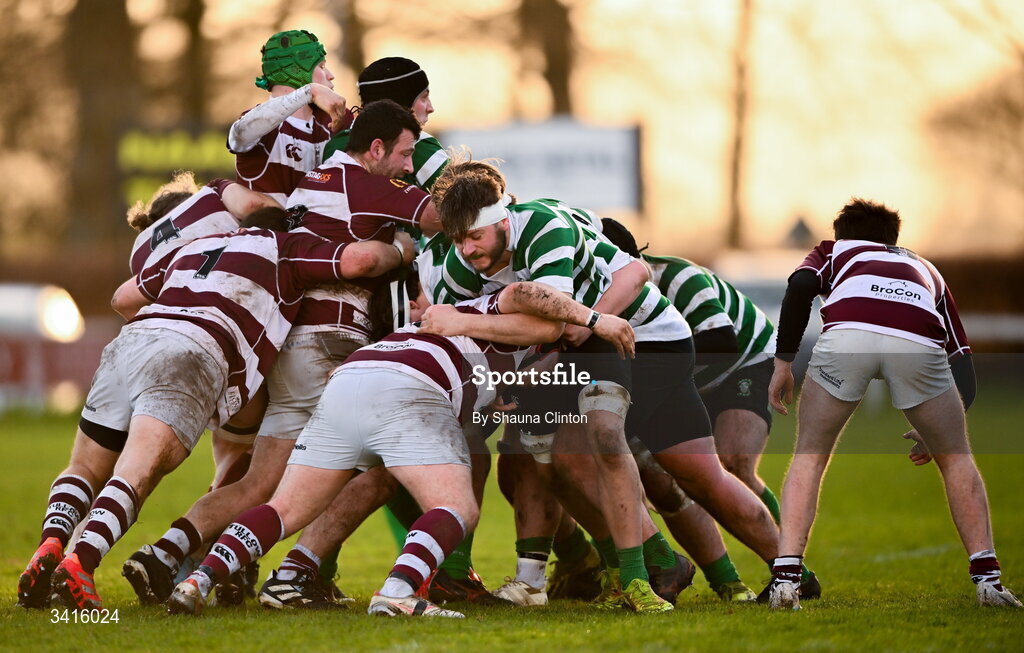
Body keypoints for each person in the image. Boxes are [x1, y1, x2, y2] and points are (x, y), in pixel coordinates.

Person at [165, 278, 635, 618]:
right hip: (409, 386)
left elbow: (490, 402)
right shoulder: (490, 306)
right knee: (457, 508)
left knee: (286, 508)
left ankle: (198, 580)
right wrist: (593, 318)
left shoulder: (512, 356)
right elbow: (530, 293)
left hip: (353, 378)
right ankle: (398, 591)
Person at [116, 100, 428, 608]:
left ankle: (166, 552)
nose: (409, 167)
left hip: (284, 357)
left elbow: (125, 297)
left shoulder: (301, 195)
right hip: (331, 348)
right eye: (406, 154)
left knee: (259, 482)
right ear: (375, 149)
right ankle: (296, 575)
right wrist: (404, 249)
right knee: (379, 470)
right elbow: (375, 252)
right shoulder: (355, 186)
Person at [17, 208, 406, 610]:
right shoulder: (285, 246)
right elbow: (361, 260)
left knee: (85, 466)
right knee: (136, 472)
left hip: (132, 340)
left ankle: (51, 542)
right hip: (192, 350)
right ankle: (81, 563)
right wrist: (400, 248)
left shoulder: (197, 245)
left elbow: (123, 298)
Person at [762, 198, 1019, 609]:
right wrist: (935, 430)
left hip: (847, 338)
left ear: (841, 231)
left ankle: (786, 581)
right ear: (893, 240)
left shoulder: (833, 249)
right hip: (917, 341)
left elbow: (800, 286)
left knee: (809, 456)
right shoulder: (926, 268)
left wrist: (783, 363)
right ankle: (988, 581)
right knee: (956, 457)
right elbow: (962, 361)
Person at [229, 29, 351, 206]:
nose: (331, 75)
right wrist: (310, 91)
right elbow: (239, 135)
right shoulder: (258, 122)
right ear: (296, 70)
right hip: (267, 230)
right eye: (322, 66)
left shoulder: (338, 120)